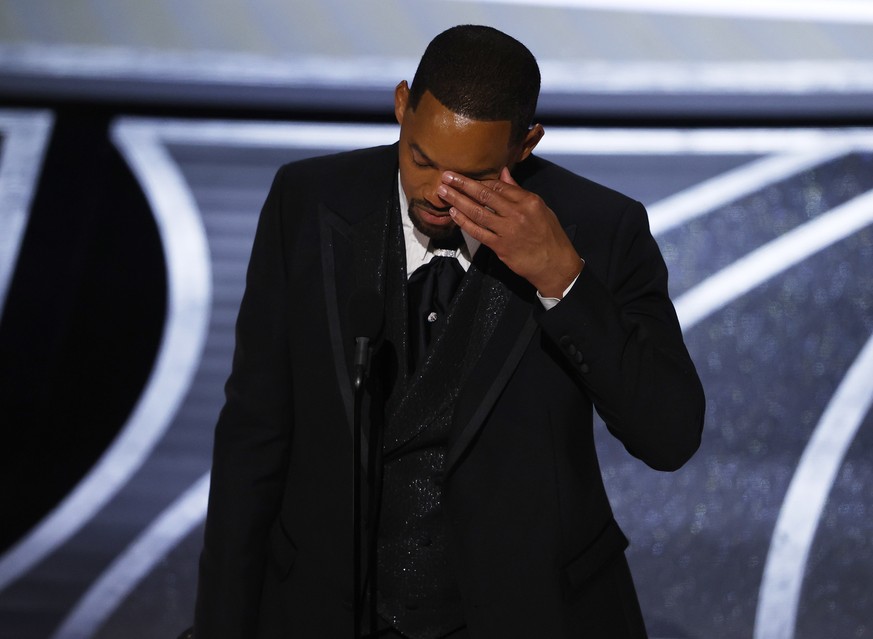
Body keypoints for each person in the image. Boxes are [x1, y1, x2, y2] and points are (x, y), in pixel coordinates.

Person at [193, 24, 705, 639]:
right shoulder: (305, 202)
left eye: (473, 177)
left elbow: (670, 436)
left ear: (526, 145)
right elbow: (254, 435)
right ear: (403, 105)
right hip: (323, 611)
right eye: (420, 158)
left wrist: (563, 281)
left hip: (526, 615)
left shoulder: (599, 229)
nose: (439, 194)